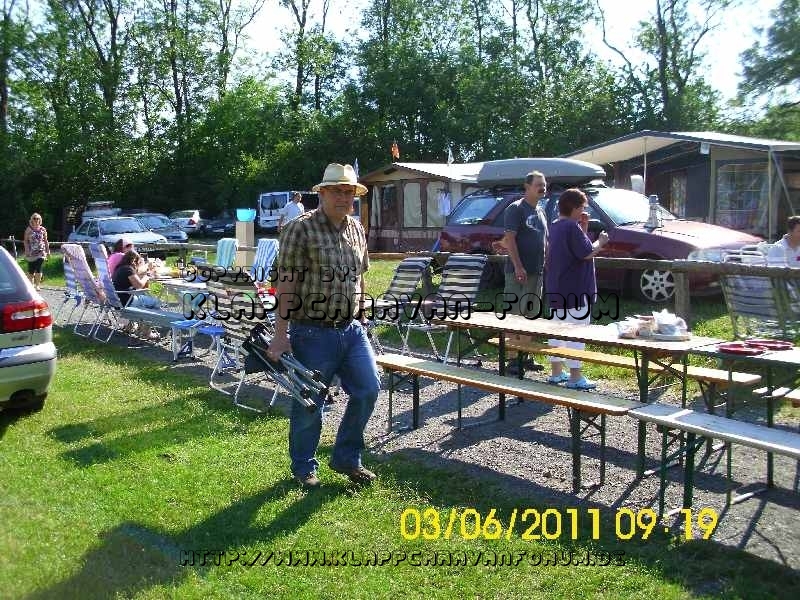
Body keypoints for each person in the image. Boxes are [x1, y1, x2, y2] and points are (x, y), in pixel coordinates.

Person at [267, 163, 379, 488]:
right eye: (339, 191)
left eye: (350, 192)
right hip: (311, 331)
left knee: (369, 389)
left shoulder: (356, 229)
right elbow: (285, 283)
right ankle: (304, 467)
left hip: (351, 329)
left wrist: (361, 311)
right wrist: (279, 335)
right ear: (323, 193)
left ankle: (346, 458)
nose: (346, 198)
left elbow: (361, 274)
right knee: (310, 402)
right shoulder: (299, 229)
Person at [544, 189, 609, 390]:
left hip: (557, 287)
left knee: (557, 331)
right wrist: (601, 241)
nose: (583, 211)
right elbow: (586, 252)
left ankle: (556, 372)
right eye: (582, 207)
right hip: (576, 290)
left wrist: (584, 226)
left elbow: (575, 246)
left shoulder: (555, 226)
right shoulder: (571, 227)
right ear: (573, 207)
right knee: (575, 333)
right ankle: (575, 377)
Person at [498, 170, 549, 372]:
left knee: (530, 315)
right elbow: (509, 239)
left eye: (544, 184)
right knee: (514, 314)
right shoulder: (516, 209)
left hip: (537, 272)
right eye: (538, 184)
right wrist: (518, 266)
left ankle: (525, 357)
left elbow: (545, 239)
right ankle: (512, 359)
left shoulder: (541, 210)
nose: (542, 187)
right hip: (518, 272)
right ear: (526, 187)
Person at [23, 212, 49, 290]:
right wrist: (27, 250)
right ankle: (31, 285)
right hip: (31, 252)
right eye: (34, 218)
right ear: (32, 220)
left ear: (40, 220)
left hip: (41, 252)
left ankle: (37, 285)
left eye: (38, 218)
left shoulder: (43, 229)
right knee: (31, 270)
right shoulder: (29, 229)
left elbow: (45, 241)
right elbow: (25, 241)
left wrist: (48, 251)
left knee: (39, 267)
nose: (36, 220)